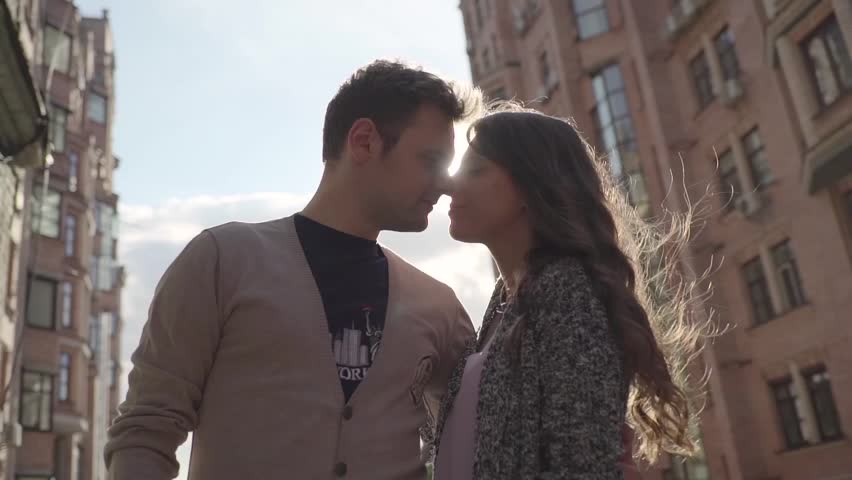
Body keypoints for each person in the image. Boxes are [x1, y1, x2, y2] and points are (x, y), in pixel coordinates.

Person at [105, 60, 480, 480]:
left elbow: (492, 424)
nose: (447, 183)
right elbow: (146, 429)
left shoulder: (439, 306)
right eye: (431, 160)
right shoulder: (222, 260)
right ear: (364, 141)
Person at [432, 106, 707, 479]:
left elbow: (582, 466)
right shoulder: (505, 302)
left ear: (532, 186)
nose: (449, 184)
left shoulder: (568, 291)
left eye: (476, 170)